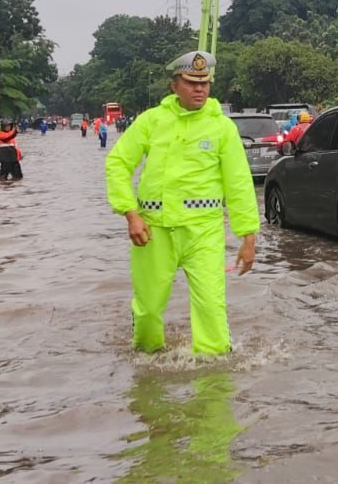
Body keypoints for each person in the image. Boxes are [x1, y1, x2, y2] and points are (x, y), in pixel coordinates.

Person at [105, 50, 259, 356]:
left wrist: (248, 237)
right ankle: (147, 374)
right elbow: (118, 164)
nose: (199, 88)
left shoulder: (222, 128)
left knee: (212, 309)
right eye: (191, 82)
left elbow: (239, 183)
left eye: (205, 82)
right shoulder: (151, 122)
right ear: (175, 85)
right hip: (153, 232)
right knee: (148, 311)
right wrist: (130, 214)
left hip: (204, 232)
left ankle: (214, 385)